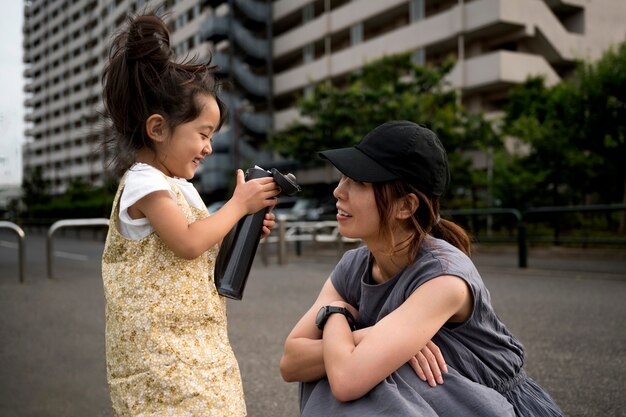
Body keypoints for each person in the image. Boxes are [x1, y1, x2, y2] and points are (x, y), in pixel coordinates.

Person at [280, 120, 564, 416]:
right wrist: (374, 338)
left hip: (489, 402)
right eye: (343, 178)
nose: (339, 191)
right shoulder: (353, 265)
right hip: (434, 401)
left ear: (406, 206)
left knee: (352, 367)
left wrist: (334, 315)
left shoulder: (445, 277)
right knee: (347, 364)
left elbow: (347, 379)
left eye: (359, 182)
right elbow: (290, 363)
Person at [100, 12, 279, 416]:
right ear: (158, 128)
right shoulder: (144, 182)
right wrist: (238, 205)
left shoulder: (180, 186)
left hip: (200, 342)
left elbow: (202, 248)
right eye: (202, 134)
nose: (209, 148)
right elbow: (186, 243)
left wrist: (242, 227)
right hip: (161, 358)